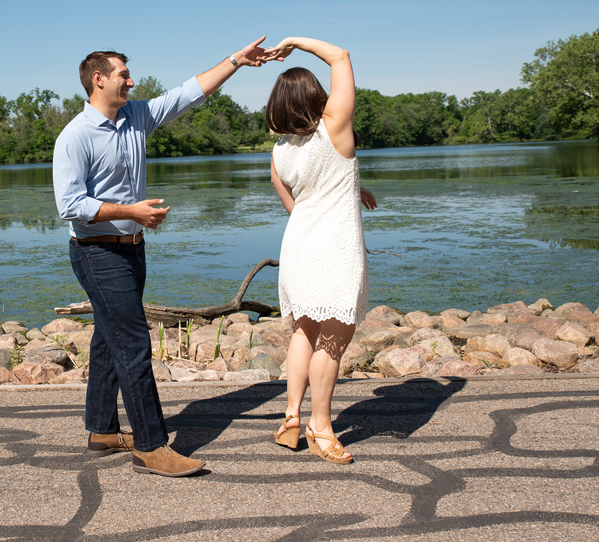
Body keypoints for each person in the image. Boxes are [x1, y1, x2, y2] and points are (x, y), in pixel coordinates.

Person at [54, 38, 272, 477]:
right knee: (134, 345)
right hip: (97, 253)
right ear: (98, 80)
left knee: (107, 336)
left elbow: (189, 92)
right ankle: (152, 447)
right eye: (123, 76)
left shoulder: (135, 117)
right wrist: (131, 211)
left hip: (132, 249)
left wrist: (236, 61)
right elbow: (70, 204)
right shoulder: (74, 136)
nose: (131, 82)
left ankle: (102, 429)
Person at [258, 36, 371, 465]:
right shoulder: (335, 127)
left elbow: (294, 198)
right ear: (317, 98)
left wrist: (351, 187)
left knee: (304, 329)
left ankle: (291, 417)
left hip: (299, 244)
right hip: (336, 246)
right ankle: (320, 427)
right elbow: (340, 55)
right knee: (334, 337)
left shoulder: (279, 151)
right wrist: (293, 43)